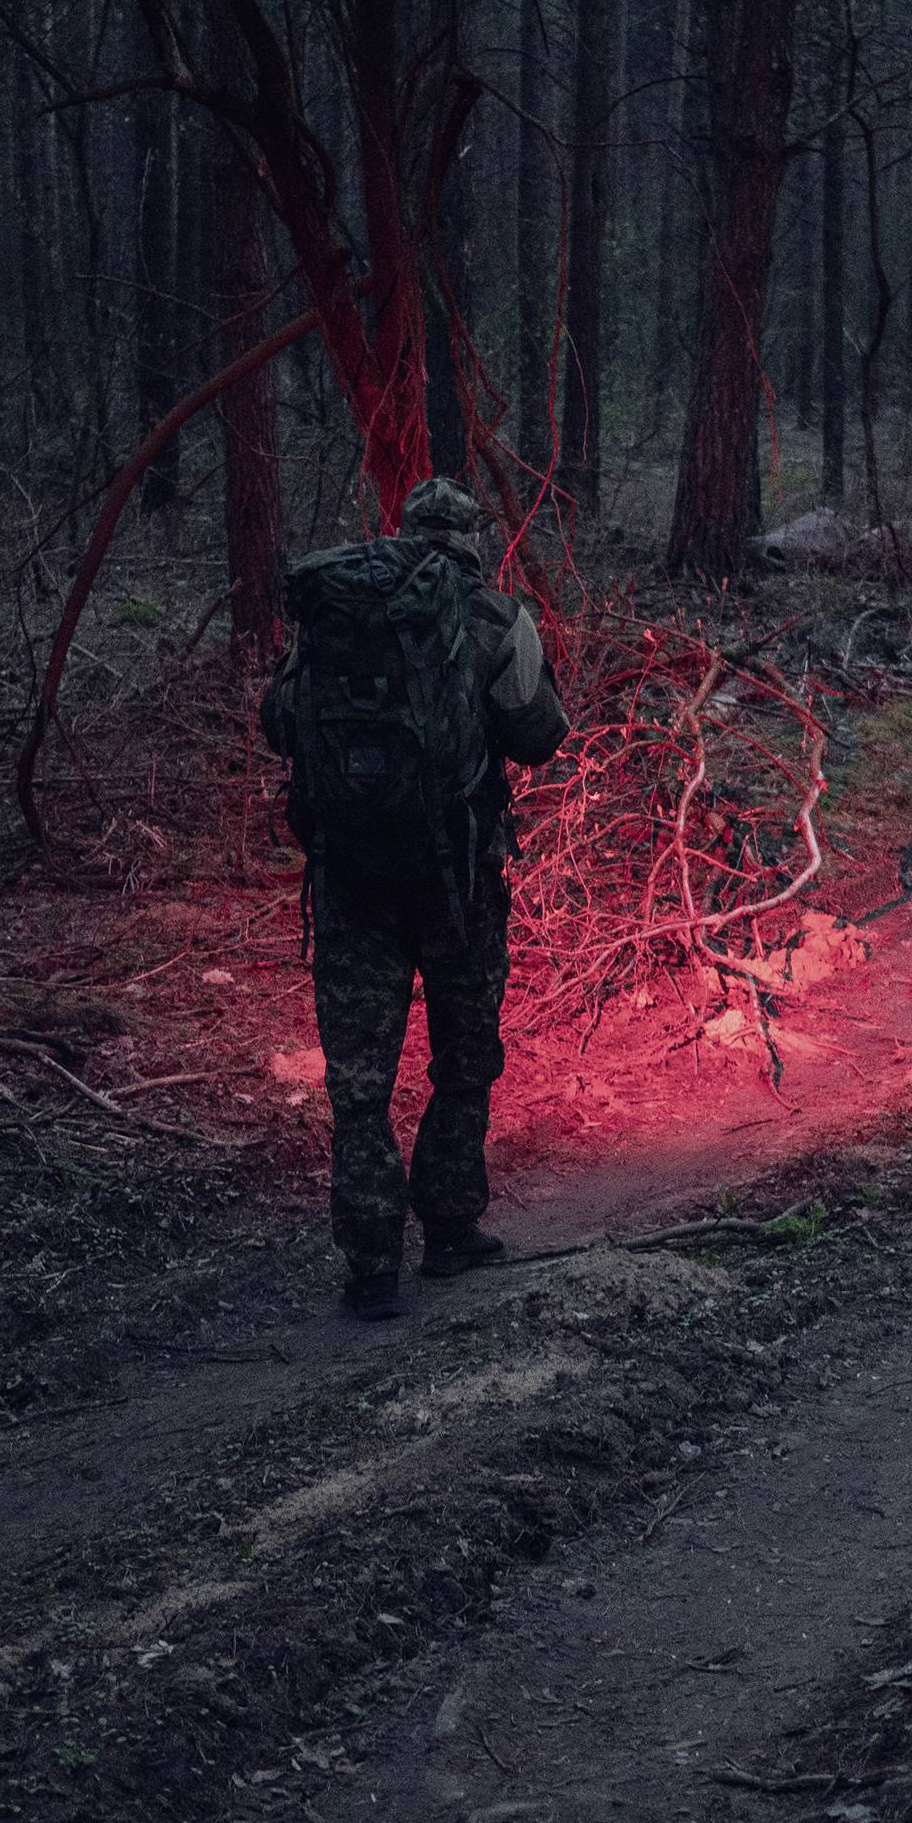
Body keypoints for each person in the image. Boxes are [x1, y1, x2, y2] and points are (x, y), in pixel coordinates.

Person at [261, 478, 569, 1321]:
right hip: (457, 879)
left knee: (359, 1082)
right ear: (472, 541)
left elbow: (278, 721)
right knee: (462, 1059)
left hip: (351, 880)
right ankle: (449, 1228)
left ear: (403, 532)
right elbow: (541, 736)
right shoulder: (494, 617)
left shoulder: (335, 610)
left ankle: (370, 1266)